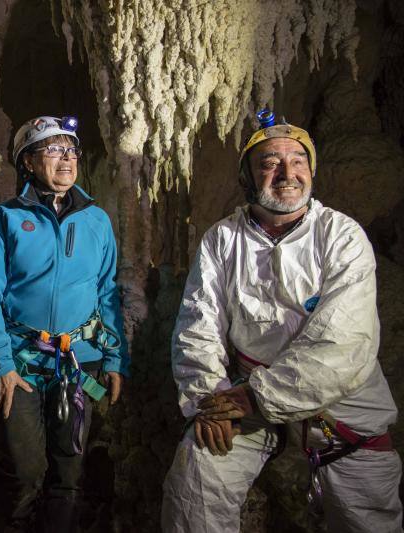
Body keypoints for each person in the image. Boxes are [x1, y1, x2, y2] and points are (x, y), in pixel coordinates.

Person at [161, 111, 403, 533]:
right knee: (195, 484)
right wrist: (209, 398)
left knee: (367, 518)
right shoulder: (223, 239)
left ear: (311, 171)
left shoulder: (341, 236)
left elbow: (344, 343)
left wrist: (254, 398)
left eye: (298, 161)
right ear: (249, 178)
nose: (287, 173)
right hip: (241, 393)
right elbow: (197, 326)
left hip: (338, 401)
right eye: (270, 163)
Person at [0, 115, 130, 531]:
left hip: (79, 362)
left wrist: (114, 359)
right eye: (53, 149)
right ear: (27, 161)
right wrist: (0, 364)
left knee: (69, 471)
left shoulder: (96, 220)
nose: (66, 159)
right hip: (21, 362)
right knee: (26, 469)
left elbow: (108, 292)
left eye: (71, 150)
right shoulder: (6, 218)